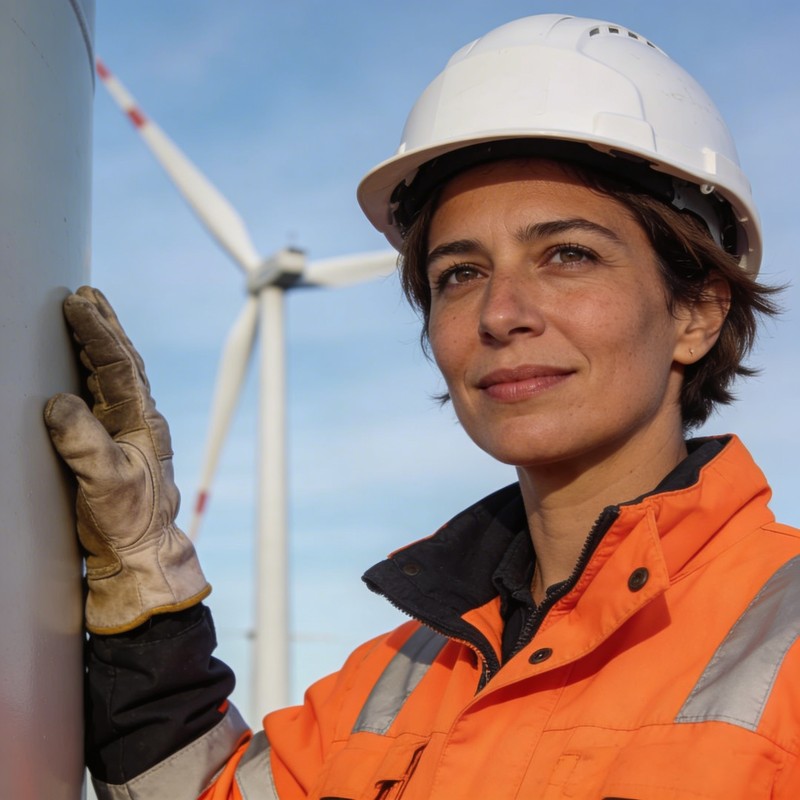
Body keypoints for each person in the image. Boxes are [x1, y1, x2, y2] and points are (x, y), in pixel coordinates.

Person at [45, 13, 799, 800]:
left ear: (697, 313)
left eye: (567, 255)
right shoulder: (396, 679)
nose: (501, 314)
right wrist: (146, 582)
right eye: (459, 274)